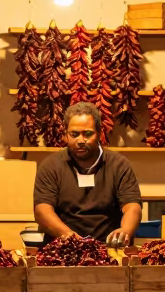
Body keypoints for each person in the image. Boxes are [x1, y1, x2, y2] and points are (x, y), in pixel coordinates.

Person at [33, 102, 143, 247]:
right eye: (74, 134)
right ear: (65, 134)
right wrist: (69, 236)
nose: (80, 140)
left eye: (88, 134)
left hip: (109, 250)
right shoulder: (51, 166)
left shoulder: (118, 165)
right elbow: (42, 210)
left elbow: (132, 206)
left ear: (99, 133)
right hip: (63, 251)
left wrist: (126, 230)